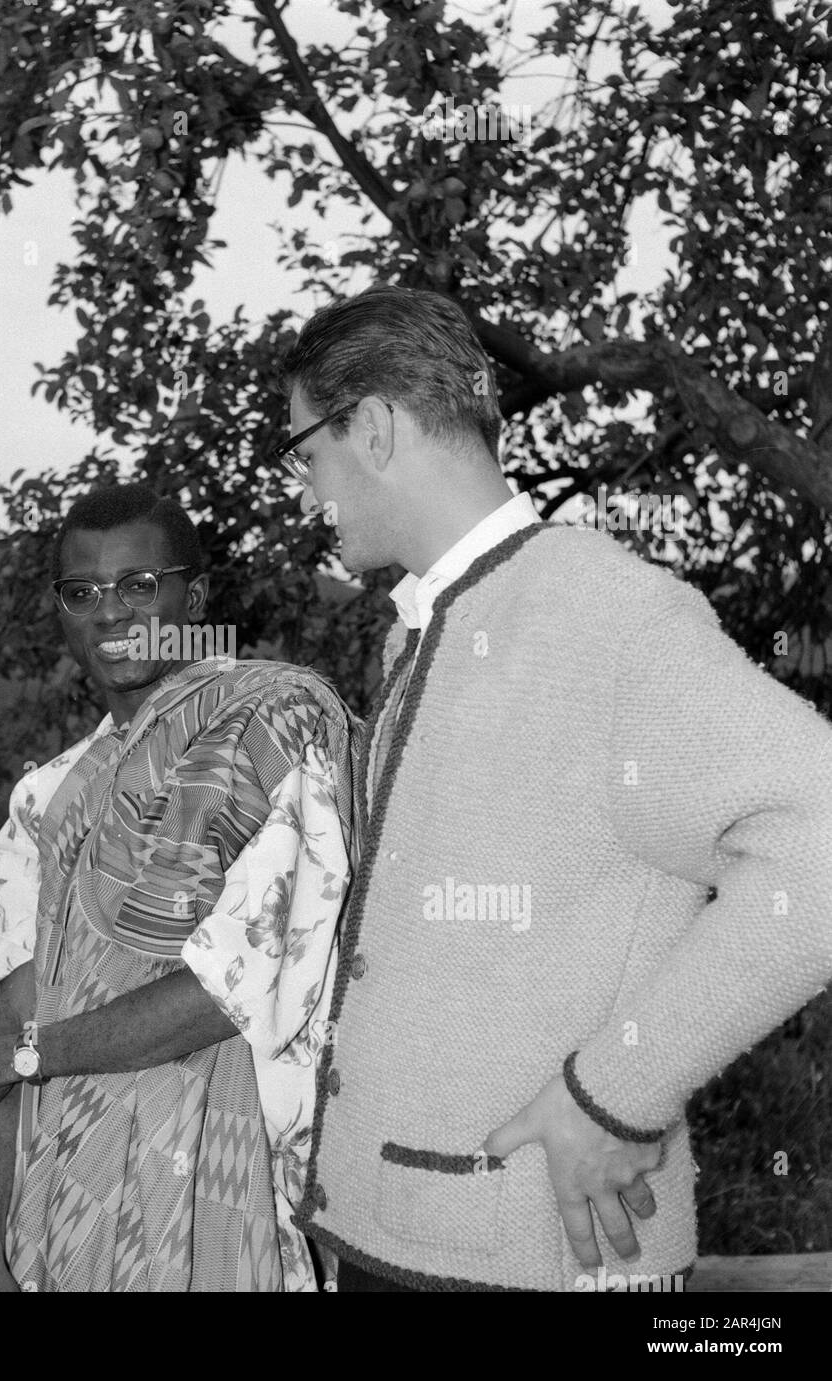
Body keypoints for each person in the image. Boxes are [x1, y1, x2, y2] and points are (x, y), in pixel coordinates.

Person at [278, 284, 832, 1292]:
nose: (302, 487)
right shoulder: (430, 624)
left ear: (373, 427)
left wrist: (613, 1095)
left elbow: (821, 848)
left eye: (304, 453)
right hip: (410, 1243)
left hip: (535, 1259)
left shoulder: (605, 615)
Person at [0, 483, 359, 1292]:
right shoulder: (51, 794)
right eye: (82, 592)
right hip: (62, 1214)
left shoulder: (276, 731)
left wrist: (33, 1056)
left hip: (233, 1197)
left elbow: (232, 986)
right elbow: (4, 1013)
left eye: (140, 585)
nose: (111, 612)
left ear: (193, 596)